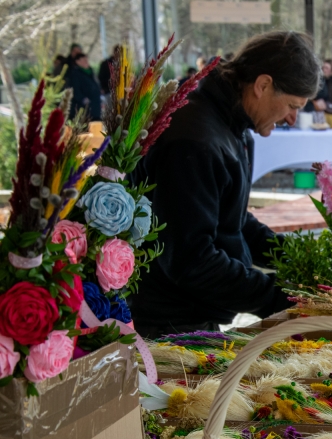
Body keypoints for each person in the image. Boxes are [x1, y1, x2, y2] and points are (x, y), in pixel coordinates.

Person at [129, 31, 320, 337]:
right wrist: (279, 299)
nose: (292, 119)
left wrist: (303, 260)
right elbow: (191, 259)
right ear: (263, 85)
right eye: (292, 105)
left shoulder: (231, 125)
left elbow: (232, 221)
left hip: (193, 311)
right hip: (167, 321)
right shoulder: (194, 139)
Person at [64, 52, 102, 120]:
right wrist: (83, 99)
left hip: (95, 108)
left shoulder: (91, 72)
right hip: (83, 109)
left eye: (86, 60)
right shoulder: (75, 74)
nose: (86, 62)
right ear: (77, 62)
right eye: (83, 60)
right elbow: (75, 90)